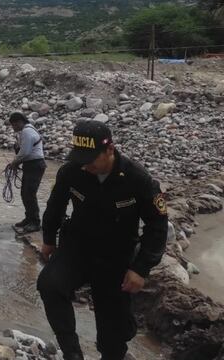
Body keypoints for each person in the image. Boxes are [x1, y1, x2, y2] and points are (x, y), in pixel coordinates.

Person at [37, 120, 168, 360]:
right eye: (81, 159)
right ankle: (72, 353)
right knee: (49, 285)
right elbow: (55, 206)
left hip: (116, 256)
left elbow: (157, 226)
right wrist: (48, 239)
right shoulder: (72, 171)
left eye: (91, 160)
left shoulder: (137, 179)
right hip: (77, 247)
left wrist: (140, 269)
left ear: (109, 149)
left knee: (113, 337)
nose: (86, 166)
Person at [8, 112, 46, 234]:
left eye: (13, 125)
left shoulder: (27, 132)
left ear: (19, 122)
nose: (13, 128)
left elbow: (25, 152)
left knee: (29, 194)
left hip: (35, 165)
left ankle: (35, 222)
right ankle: (29, 218)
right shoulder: (27, 131)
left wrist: (14, 163)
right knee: (25, 193)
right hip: (31, 165)